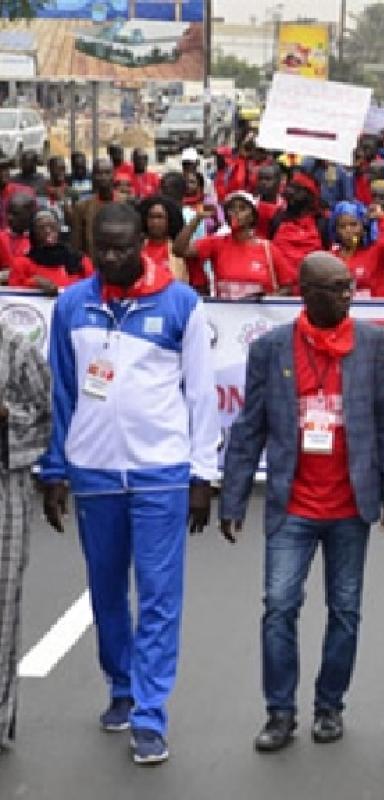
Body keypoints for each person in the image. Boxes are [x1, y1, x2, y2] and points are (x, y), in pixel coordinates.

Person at [41, 203, 217, 765]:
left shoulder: (180, 304)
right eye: (101, 247)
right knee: (107, 593)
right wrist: (54, 469)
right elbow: (63, 393)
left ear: (144, 242)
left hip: (159, 472)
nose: (111, 257)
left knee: (160, 598)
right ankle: (121, 687)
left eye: (122, 247)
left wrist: (203, 473)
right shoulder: (72, 305)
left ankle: (149, 713)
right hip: (93, 470)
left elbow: (201, 395)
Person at [219, 252, 384, 752]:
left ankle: (329, 707)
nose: (349, 294)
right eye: (337, 288)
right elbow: (249, 425)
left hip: (350, 506)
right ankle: (279, 713)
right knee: (279, 607)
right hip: (291, 505)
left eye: (348, 286)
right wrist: (232, 497)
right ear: (307, 293)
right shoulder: (272, 349)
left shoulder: (370, 343)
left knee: (345, 611)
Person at [0, 321, 52, 750]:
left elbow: (43, 414)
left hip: (5, 487)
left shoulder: (15, 348)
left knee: (3, 608)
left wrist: (5, 416)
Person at [175, 191, 276, 299]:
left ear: (252, 217)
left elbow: (287, 286)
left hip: (258, 314)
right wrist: (197, 218)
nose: (236, 212)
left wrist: (266, 299)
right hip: (224, 313)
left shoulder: (267, 248)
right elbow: (179, 250)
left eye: (242, 208)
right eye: (232, 208)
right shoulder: (216, 243)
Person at [9, 209, 94, 294]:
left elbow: (93, 288)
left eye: (52, 226)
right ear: (33, 233)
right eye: (41, 228)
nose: (48, 231)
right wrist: (35, 282)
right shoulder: (21, 263)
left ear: (59, 229)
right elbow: (12, 295)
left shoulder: (80, 260)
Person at [270, 171, 327, 293]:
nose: (291, 192)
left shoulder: (321, 223)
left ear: (310, 195)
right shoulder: (278, 218)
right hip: (282, 289)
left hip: (313, 289)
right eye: (291, 187)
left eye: (298, 189)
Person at [329, 201, 384, 298]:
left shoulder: (377, 249)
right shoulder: (331, 256)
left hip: (377, 310)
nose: (348, 230)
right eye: (342, 226)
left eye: (354, 224)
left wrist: (383, 218)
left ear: (363, 226)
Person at [69, 161, 114, 256]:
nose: (103, 177)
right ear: (92, 176)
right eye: (99, 173)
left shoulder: (125, 203)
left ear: (113, 175)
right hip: (92, 262)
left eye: (107, 173)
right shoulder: (82, 207)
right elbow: (77, 242)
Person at [137, 195, 186, 283]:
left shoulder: (179, 249)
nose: (155, 221)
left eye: (160, 217)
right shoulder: (137, 247)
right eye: (151, 217)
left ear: (169, 220)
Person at [253, 164, 284, 238]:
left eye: (268, 179)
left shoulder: (285, 207)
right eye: (260, 179)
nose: (263, 183)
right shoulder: (251, 204)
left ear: (279, 181)